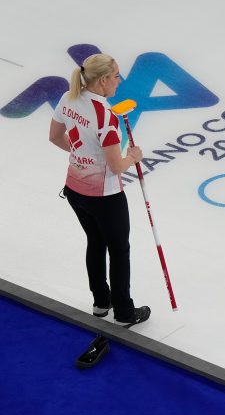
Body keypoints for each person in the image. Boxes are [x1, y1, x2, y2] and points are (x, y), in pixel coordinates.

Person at [48, 53, 150, 326]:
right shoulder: (106, 117)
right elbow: (117, 166)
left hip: (74, 189)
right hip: (104, 196)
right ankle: (125, 312)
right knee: (118, 250)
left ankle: (101, 302)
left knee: (95, 242)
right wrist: (134, 157)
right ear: (103, 80)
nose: (119, 81)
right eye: (116, 76)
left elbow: (55, 137)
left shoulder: (67, 97)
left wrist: (83, 157)